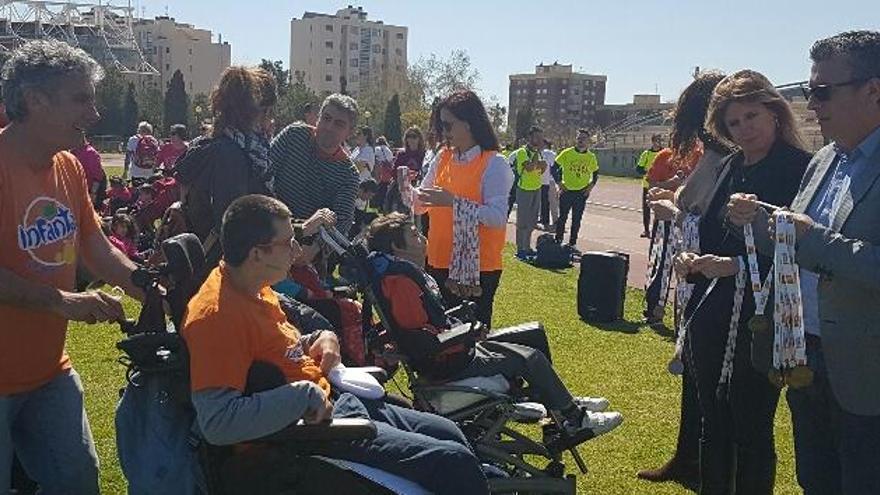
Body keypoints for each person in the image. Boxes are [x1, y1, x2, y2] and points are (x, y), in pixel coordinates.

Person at [182, 194, 490, 494]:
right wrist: (304, 395)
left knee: (448, 433)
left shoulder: (252, 287)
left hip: (336, 401)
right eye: (288, 241)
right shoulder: (216, 317)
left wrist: (319, 338)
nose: (297, 249)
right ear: (256, 253)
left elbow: (270, 348)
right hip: (310, 433)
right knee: (454, 463)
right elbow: (217, 422)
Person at [727, 30, 880, 495]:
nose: (812, 104)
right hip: (802, 352)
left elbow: (817, 245)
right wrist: (755, 223)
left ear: (873, 90)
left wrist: (814, 241)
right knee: (815, 479)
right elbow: (794, 242)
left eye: (822, 91)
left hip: (864, 370)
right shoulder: (825, 160)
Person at [0, 39, 144, 494]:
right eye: (81, 99)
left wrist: (153, 289)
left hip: (47, 372)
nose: (95, 114)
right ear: (34, 100)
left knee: (78, 480)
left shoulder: (69, 167)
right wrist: (62, 301)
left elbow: (96, 248)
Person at [365, 212, 622, 438]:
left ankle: (560, 409)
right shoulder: (400, 281)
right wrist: (465, 332)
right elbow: (420, 336)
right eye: (413, 235)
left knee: (533, 334)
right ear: (397, 248)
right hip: (448, 361)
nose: (422, 237)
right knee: (530, 357)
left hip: (453, 348)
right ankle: (575, 420)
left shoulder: (406, 274)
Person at [676, 69, 811, 494]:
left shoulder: (799, 168)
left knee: (750, 421)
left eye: (751, 116)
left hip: (763, 315)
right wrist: (692, 257)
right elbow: (711, 228)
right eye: (734, 123)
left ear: (774, 113)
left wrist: (736, 263)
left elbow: (802, 249)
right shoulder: (732, 164)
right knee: (711, 415)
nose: (744, 129)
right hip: (715, 307)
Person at [637, 70, 732, 488]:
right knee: (694, 376)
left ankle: (705, 467)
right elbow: (692, 201)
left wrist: (673, 211)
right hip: (699, 278)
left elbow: (703, 212)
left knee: (711, 386)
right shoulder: (714, 154)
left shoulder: (729, 156)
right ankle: (687, 456)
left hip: (720, 284)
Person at [415, 90, 514, 328]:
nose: (443, 132)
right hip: (438, 259)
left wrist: (453, 202)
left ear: (469, 124)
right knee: (440, 330)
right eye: (441, 125)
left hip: (478, 268)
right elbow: (421, 204)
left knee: (471, 336)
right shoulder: (443, 158)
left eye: (448, 125)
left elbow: (498, 218)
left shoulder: (494, 164)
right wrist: (412, 195)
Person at [173, 66, 277, 273]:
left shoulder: (207, 144)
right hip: (225, 273)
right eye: (268, 111)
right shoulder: (234, 155)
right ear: (257, 111)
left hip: (200, 261)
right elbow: (233, 227)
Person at [270, 94, 360, 242]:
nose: (329, 127)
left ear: (349, 132)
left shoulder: (348, 175)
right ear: (318, 118)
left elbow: (341, 223)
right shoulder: (294, 135)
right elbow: (263, 173)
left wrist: (315, 248)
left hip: (309, 244)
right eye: (326, 118)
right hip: (270, 227)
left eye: (339, 124)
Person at [553, 129, 599, 250]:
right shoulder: (567, 153)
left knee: (576, 219)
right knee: (562, 217)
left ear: (588, 141)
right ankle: (558, 240)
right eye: (579, 138)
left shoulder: (591, 157)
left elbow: (595, 174)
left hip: (581, 192)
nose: (581, 141)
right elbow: (554, 168)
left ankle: (572, 243)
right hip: (567, 191)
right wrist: (559, 183)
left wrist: (589, 188)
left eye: (583, 139)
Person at [509, 126, 548, 259]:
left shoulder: (539, 153)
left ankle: (527, 246)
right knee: (522, 221)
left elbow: (543, 169)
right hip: (524, 189)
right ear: (530, 138)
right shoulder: (522, 152)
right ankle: (520, 249)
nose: (540, 140)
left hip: (536, 188)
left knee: (532, 221)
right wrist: (538, 162)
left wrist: (539, 163)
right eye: (537, 137)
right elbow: (530, 168)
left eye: (541, 137)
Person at [637, 134, 665, 237]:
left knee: (661, 208)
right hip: (647, 185)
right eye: (656, 140)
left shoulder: (664, 153)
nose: (658, 142)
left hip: (661, 185)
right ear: (652, 141)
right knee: (646, 209)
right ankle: (646, 230)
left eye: (660, 140)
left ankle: (658, 230)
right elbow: (639, 169)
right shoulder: (647, 154)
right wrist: (648, 172)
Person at [71, 137, 106, 208]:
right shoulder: (73, 152)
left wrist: (93, 193)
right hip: (79, 188)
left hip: (92, 189)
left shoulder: (90, 153)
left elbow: (97, 176)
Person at [539, 139, 559, 231]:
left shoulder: (546, 153)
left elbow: (553, 167)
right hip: (548, 180)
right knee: (551, 202)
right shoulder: (551, 154)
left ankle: (546, 220)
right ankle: (553, 220)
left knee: (545, 201)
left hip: (545, 180)